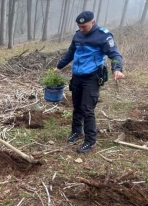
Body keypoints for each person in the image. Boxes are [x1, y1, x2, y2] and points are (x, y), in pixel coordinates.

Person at [54, 11, 125, 153]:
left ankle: (91, 141)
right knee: (77, 106)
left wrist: (117, 69)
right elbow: (70, 53)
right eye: (79, 26)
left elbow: (115, 54)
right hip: (77, 76)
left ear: (93, 22)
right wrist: (59, 66)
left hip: (92, 77)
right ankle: (77, 132)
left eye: (84, 26)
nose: (81, 29)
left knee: (87, 108)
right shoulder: (78, 35)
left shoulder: (103, 36)